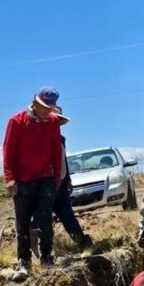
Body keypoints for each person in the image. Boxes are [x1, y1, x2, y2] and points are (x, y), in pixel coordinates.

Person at [2, 87, 63, 282]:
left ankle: (47, 257)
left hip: (45, 176)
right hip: (22, 180)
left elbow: (56, 149)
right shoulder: (17, 121)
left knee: (45, 217)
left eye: (50, 108)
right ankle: (24, 261)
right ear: (34, 102)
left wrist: (57, 176)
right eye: (44, 107)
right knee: (23, 221)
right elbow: (8, 151)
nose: (47, 111)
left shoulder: (53, 122)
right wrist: (9, 178)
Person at [31, 106, 93, 253]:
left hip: (61, 184)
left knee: (67, 215)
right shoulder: (38, 138)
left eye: (58, 121)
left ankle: (82, 242)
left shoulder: (61, 139)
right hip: (44, 185)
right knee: (39, 218)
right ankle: (36, 252)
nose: (55, 123)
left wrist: (68, 180)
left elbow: (62, 160)